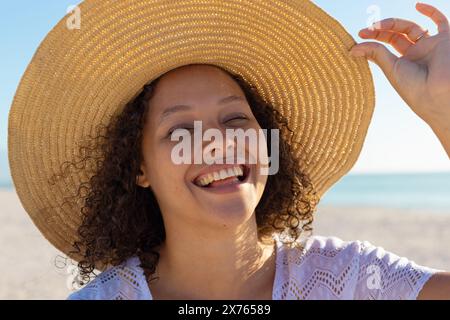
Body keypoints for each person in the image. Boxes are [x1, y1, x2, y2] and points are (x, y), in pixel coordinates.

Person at [7, 0, 450, 300]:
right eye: (181, 130)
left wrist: (444, 113)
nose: (218, 142)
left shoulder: (348, 279)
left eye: (236, 119)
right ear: (138, 168)